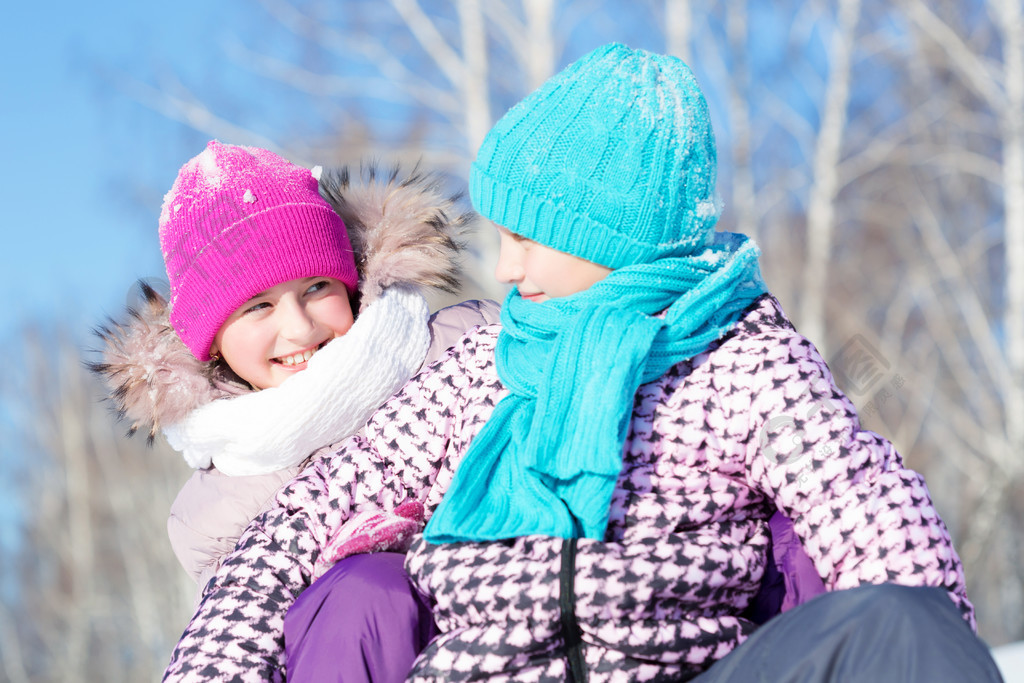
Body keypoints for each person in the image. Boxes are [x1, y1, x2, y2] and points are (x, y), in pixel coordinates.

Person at [162, 45, 1002, 683]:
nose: (505, 270)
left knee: (901, 619)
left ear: (610, 245)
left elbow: (863, 504)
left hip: (680, 667)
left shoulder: (741, 360)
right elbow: (293, 531)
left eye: (525, 238)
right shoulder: (481, 370)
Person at [93, 141, 500, 594]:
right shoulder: (213, 517)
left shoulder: (465, 339)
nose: (300, 327)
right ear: (210, 343)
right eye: (257, 307)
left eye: (317, 286)